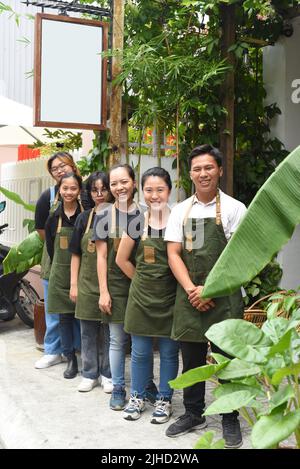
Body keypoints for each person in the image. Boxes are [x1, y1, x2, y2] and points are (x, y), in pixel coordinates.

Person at [164, 144, 247, 448]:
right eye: (197, 169)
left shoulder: (236, 209)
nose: (203, 173)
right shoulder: (180, 210)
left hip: (224, 297)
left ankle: (229, 416)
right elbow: (173, 253)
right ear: (190, 174)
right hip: (189, 296)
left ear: (220, 170)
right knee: (193, 360)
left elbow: (239, 257)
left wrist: (210, 290)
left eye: (209, 167)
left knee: (227, 360)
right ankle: (193, 413)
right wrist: (192, 290)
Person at [116, 167, 179, 424]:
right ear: (142, 192)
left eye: (160, 189)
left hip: (171, 299)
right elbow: (121, 259)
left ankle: (164, 399)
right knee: (140, 353)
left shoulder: (180, 220)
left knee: (169, 352)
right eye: (149, 190)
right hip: (141, 300)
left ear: (169, 191)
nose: (154, 195)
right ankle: (138, 396)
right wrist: (141, 281)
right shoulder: (136, 222)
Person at [93, 164, 142, 410]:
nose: (119, 187)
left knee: (141, 340)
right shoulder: (103, 215)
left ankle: (143, 387)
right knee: (117, 340)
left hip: (143, 285)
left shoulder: (146, 213)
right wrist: (103, 291)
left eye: (124, 181)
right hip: (115, 285)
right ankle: (119, 388)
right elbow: (101, 257)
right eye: (114, 183)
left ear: (133, 182)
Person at [34, 152, 82, 369]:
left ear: (72, 164)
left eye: (63, 165)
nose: (60, 170)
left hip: (81, 260)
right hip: (53, 260)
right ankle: (53, 350)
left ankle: (75, 351)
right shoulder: (48, 195)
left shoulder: (84, 191)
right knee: (54, 309)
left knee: (79, 311)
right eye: (55, 168)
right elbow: (42, 230)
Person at [69, 171, 113, 393]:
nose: (99, 194)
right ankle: (89, 373)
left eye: (103, 189)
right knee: (87, 331)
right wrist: (74, 284)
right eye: (94, 190)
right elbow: (75, 253)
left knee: (108, 332)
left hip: (111, 285)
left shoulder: (119, 217)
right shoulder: (83, 218)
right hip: (86, 284)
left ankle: (107, 373)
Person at [45, 172, 83, 379]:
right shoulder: (53, 218)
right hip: (60, 276)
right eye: (65, 188)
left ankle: (90, 358)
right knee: (64, 320)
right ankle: (70, 358)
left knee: (87, 319)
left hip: (84, 275)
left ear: (79, 191)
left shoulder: (86, 216)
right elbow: (51, 249)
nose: (69, 192)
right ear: (59, 190)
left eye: (73, 188)